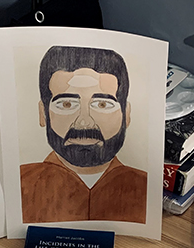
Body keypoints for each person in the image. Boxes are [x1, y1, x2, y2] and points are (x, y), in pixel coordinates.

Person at [21, 46, 147, 224]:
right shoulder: (19, 184)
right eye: (66, 104)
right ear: (43, 113)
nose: (84, 122)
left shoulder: (148, 189)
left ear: (126, 114)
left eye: (102, 104)